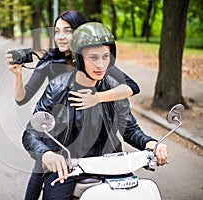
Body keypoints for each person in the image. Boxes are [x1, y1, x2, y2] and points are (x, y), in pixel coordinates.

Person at [22, 22, 168, 200]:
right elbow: (31, 134)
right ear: (78, 58)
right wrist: (47, 153)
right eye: (93, 57)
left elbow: (129, 129)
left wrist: (150, 143)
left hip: (109, 164)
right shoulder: (57, 88)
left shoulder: (113, 89)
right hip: (67, 166)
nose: (101, 64)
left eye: (105, 56)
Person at [5, 10, 140, 110]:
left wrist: (98, 98)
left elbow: (132, 87)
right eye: (57, 31)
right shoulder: (50, 60)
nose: (60, 37)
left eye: (68, 31)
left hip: (94, 127)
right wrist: (17, 75)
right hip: (61, 131)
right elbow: (22, 99)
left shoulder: (92, 59)